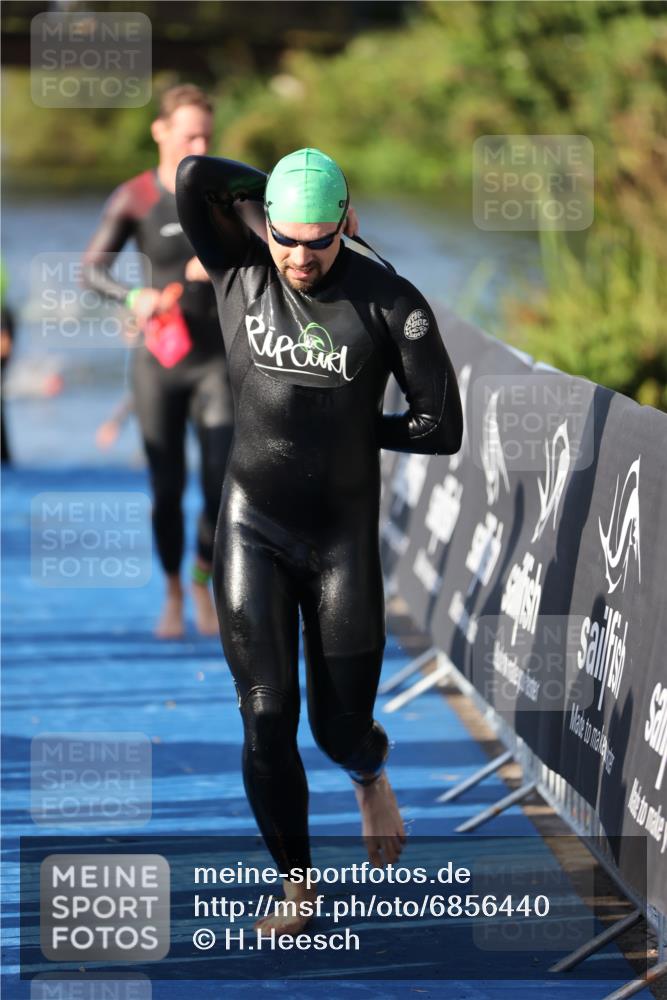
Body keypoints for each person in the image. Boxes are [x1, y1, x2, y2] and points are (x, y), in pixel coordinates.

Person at [176, 148, 463, 933]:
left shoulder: (389, 301)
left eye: (320, 240)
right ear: (264, 224)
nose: (301, 257)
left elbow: (442, 430)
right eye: (287, 237)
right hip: (252, 529)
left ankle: (370, 770)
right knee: (266, 715)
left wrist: (348, 426)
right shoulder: (239, 270)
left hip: (340, 546)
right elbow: (196, 175)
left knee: (337, 729)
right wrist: (273, 193)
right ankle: (296, 885)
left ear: (348, 225)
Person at [83, 84, 233, 638]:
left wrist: (219, 263)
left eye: (207, 136)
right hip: (159, 363)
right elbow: (92, 269)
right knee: (166, 490)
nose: (199, 143)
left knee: (221, 485)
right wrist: (133, 298)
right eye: (189, 133)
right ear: (161, 131)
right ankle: (172, 591)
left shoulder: (223, 191)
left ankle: (202, 581)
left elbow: (276, 239)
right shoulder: (137, 197)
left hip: (216, 361)